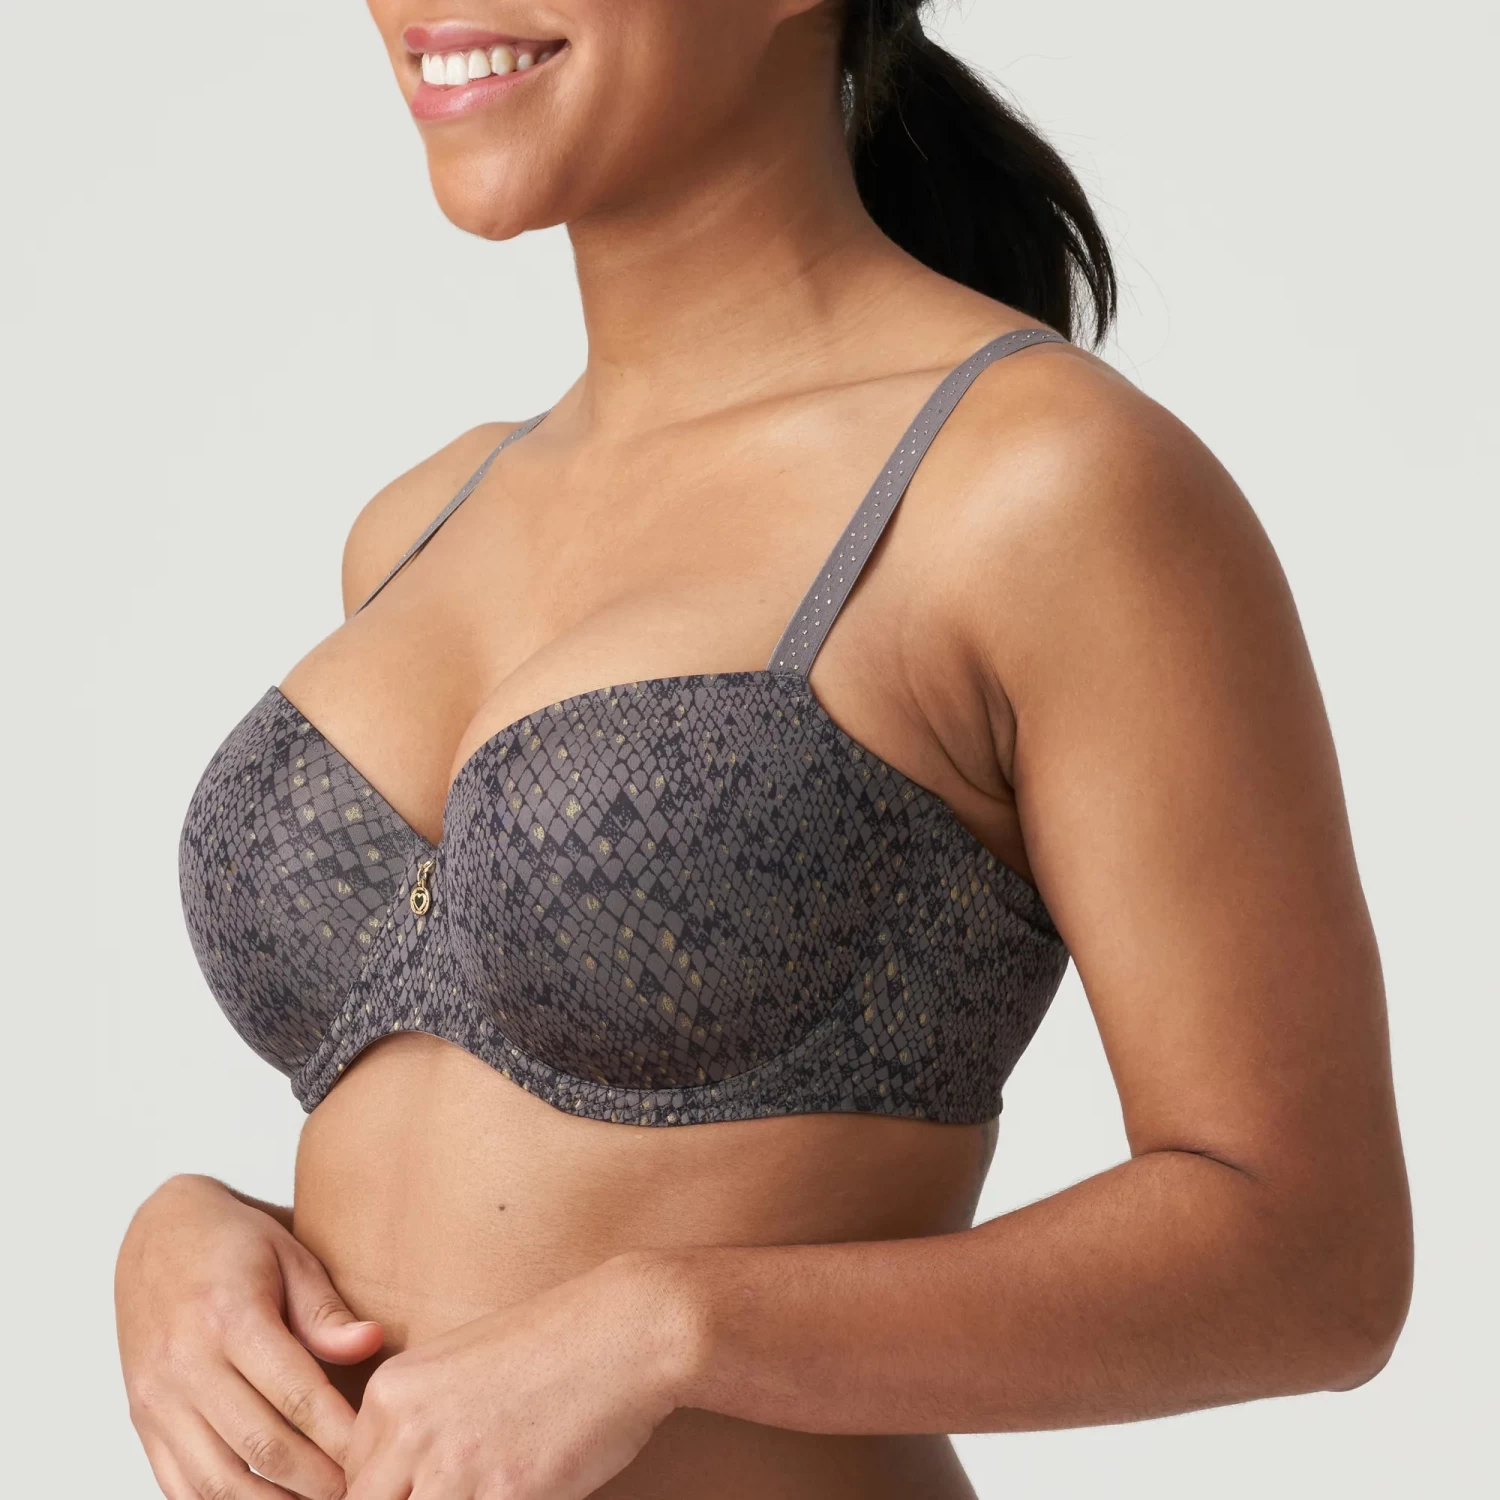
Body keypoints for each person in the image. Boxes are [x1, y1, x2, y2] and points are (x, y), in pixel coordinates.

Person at [114, 3, 1413, 1498]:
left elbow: (1315, 1259)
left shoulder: (1041, 485)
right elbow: (474, 1175)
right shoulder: (419, 525)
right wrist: (190, 1236)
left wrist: (676, 1330)